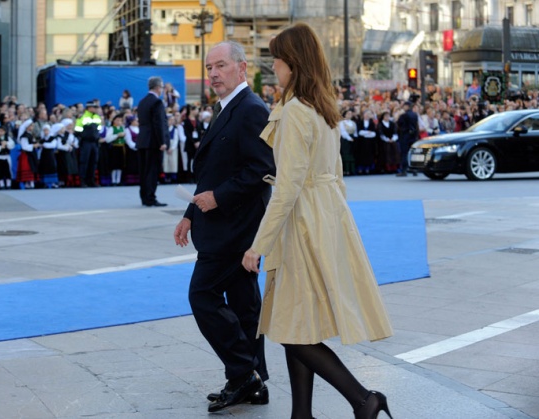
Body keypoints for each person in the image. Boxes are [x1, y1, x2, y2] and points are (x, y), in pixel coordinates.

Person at [240, 23, 394, 419]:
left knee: (293, 327)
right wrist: (336, 225)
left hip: (302, 224)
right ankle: (302, 414)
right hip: (325, 217)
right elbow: (337, 178)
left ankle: (363, 399)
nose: (272, 65)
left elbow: (287, 188)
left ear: (293, 61)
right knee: (298, 324)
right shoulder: (322, 108)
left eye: (276, 57)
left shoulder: (294, 112)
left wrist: (259, 245)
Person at [173, 41, 276, 413]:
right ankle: (253, 380)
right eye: (209, 67)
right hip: (222, 224)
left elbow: (262, 170)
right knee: (246, 306)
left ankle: (242, 372)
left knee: (202, 295)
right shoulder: (225, 109)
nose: (213, 73)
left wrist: (218, 198)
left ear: (241, 68)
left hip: (235, 228)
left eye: (220, 66)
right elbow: (211, 171)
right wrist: (190, 212)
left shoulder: (250, 109)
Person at [136, 76, 169, 206]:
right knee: (152, 170)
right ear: (157, 87)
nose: (162, 90)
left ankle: (144, 197)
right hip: (153, 141)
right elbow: (159, 123)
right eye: (161, 87)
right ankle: (150, 198)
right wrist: (162, 141)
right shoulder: (157, 102)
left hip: (142, 140)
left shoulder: (142, 101)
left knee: (144, 171)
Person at [75, 101, 102, 187]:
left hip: (94, 142)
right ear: (89, 108)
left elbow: (99, 129)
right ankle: (83, 180)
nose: (95, 109)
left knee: (93, 162)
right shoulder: (83, 117)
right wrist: (84, 136)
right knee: (84, 161)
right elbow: (77, 130)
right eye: (94, 107)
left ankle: (91, 180)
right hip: (86, 142)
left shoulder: (97, 117)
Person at [396, 100, 419, 176]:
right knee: (412, 153)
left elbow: (399, 124)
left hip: (405, 135)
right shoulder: (415, 115)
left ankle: (404, 170)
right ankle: (414, 169)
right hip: (413, 136)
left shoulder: (404, 115)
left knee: (404, 153)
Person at [0, 125, 15, 189]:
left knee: (8, 171)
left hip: (6, 157)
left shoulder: (8, 138)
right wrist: (0, 147)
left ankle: (8, 184)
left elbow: (12, 145)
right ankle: (1, 185)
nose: (0, 132)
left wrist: (6, 144)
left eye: (2, 131)